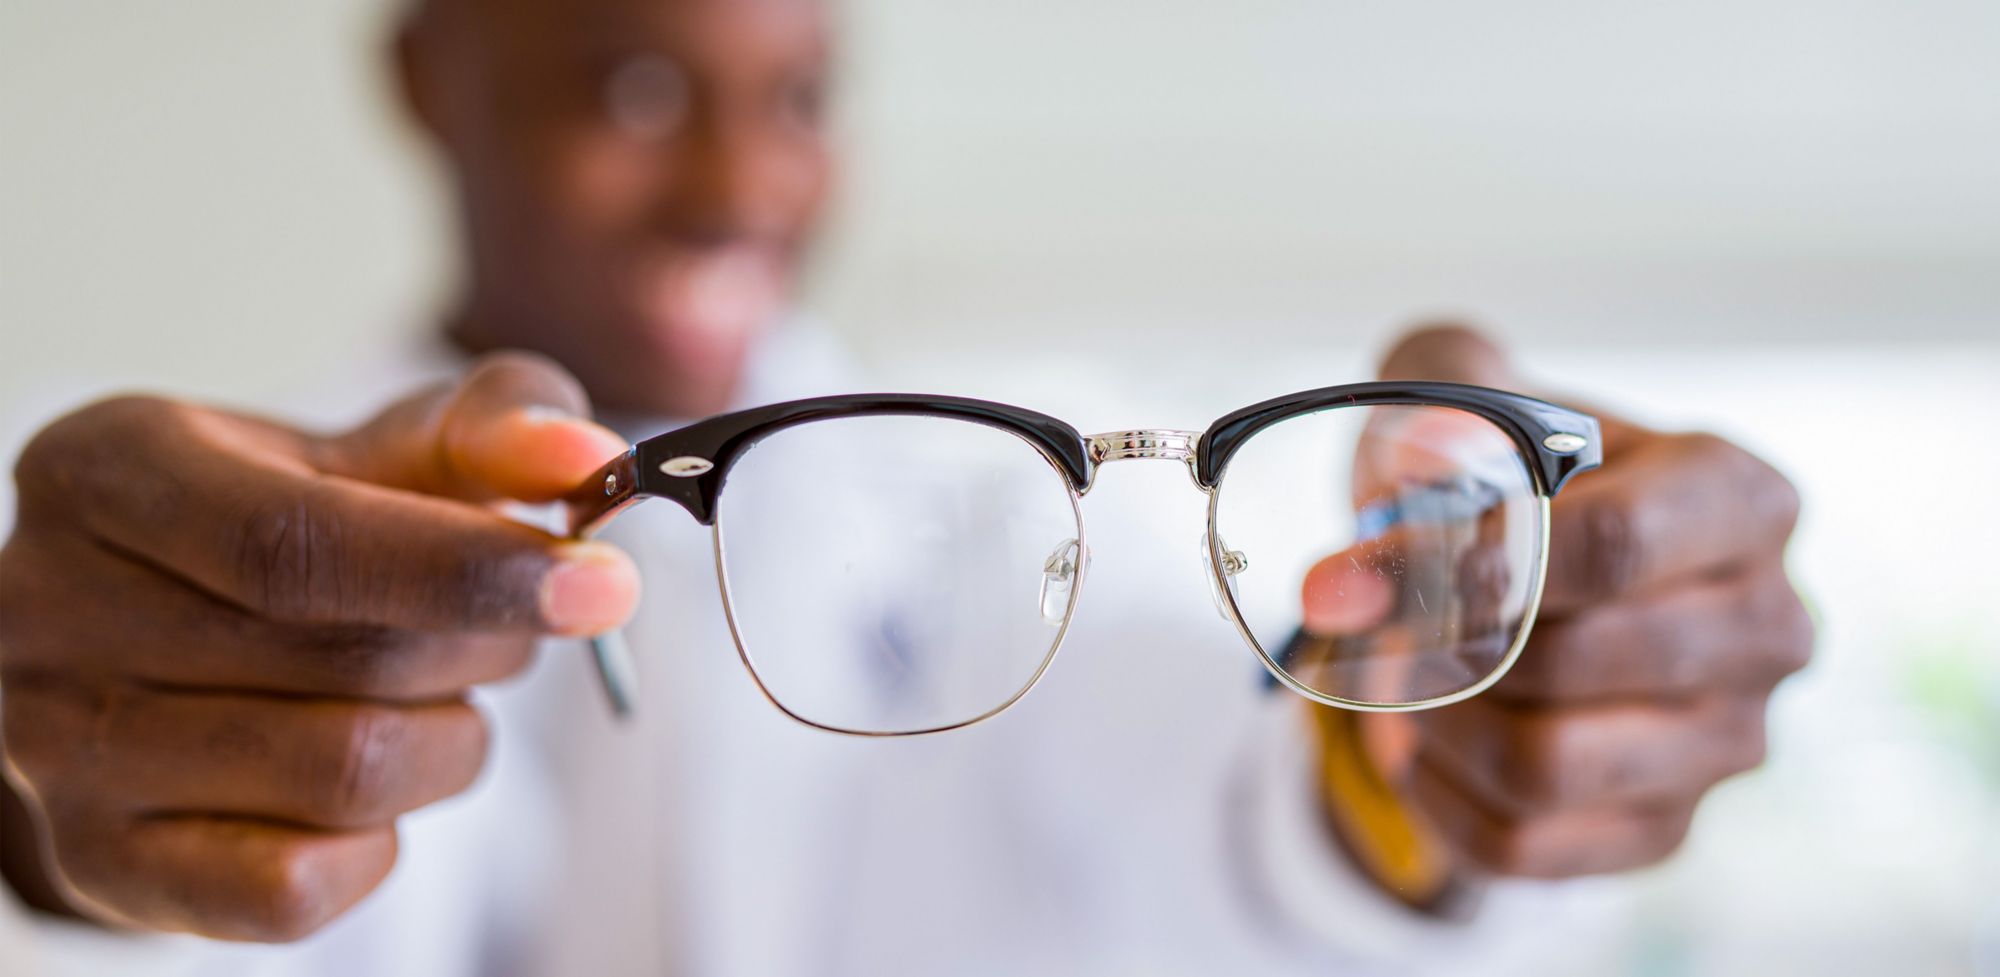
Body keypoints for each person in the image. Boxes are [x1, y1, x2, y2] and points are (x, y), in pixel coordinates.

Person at [0, 0, 1813, 972]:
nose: (738, 185)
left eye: (797, 94)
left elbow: (1220, 772)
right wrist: (48, 833)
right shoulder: (157, 546)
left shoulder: (1006, 500)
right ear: (427, 72)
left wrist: (1429, 729)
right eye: (633, 85)